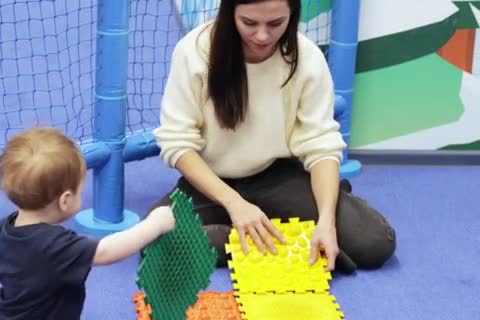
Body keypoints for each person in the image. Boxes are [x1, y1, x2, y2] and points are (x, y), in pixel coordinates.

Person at [149, 0, 395, 273]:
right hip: (212, 181)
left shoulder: (308, 58)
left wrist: (327, 222)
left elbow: (321, 145)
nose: (263, 36)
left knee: (374, 243)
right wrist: (234, 204)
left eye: (276, 23)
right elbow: (177, 144)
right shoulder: (193, 51)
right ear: (230, 13)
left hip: (276, 175)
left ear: (292, 15)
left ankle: (256, 232)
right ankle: (257, 234)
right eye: (249, 23)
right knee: (154, 242)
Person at [0, 127, 175, 319]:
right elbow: (106, 251)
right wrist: (154, 225)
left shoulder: (6, 227)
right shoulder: (55, 246)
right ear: (65, 200)